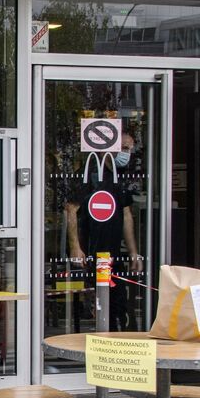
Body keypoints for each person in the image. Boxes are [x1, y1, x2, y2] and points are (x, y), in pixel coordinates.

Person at [66, 132, 141, 330]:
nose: (127, 154)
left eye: (130, 149)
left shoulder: (122, 177)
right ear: (110, 148)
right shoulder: (89, 173)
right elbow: (71, 209)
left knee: (118, 305)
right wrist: (75, 247)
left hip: (114, 252)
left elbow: (126, 215)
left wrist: (133, 251)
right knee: (96, 304)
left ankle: (118, 345)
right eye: (124, 148)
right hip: (91, 249)